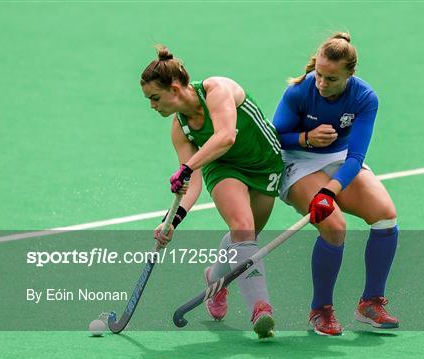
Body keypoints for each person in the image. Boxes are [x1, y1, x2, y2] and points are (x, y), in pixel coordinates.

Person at [142, 45, 284, 339]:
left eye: (155, 98)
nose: (152, 106)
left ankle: (214, 278)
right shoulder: (180, 128)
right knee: (243, 229)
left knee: (246, 239)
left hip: (264, 164)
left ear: (176, 87)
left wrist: (187, 167)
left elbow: (226, 136)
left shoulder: (216, 89)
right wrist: (173, 220)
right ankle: (261, 308)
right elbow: (190, 182)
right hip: (223, 168)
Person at [273, 32, 400, 336]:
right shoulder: (299, 91)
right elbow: (275, 136)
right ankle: (321, 310)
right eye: (318, 74)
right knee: (334, 226)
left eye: (330, 78)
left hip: (340, 159)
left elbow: (356, 156)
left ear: (349, 74)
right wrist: (305, 138)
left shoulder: (365, 97)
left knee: (386, 216)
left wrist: (330, 190)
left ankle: (370, 304)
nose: (321, 83)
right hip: (297, 161)